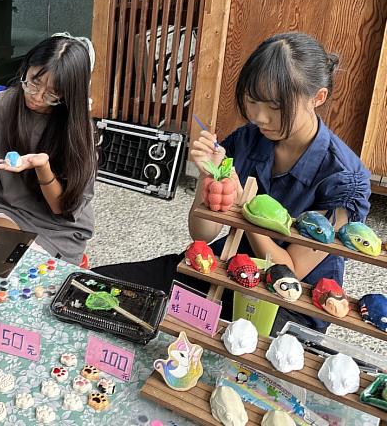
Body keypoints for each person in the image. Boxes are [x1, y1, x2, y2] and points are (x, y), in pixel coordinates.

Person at [94, 32, 371, 334]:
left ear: (317, 98)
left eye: (276, 106)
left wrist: (245, 208)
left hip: (291, 301)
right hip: (229, 266)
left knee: (227, 352)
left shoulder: (345, 179)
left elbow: (287, 271)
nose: (259, 117)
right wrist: (207, 177)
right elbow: (202, 231)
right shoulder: (249, 139)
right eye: (253, 100)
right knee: (101, 287)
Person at [0, 35, 97, 264]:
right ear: (26, 68)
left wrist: (42, 167)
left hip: (60, 225)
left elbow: (60, 208)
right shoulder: (0, 106)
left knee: (28, 269)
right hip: (9, 208)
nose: (37, 96)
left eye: (52, 93)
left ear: (69, 93)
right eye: (33, 82)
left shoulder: (78, 128)